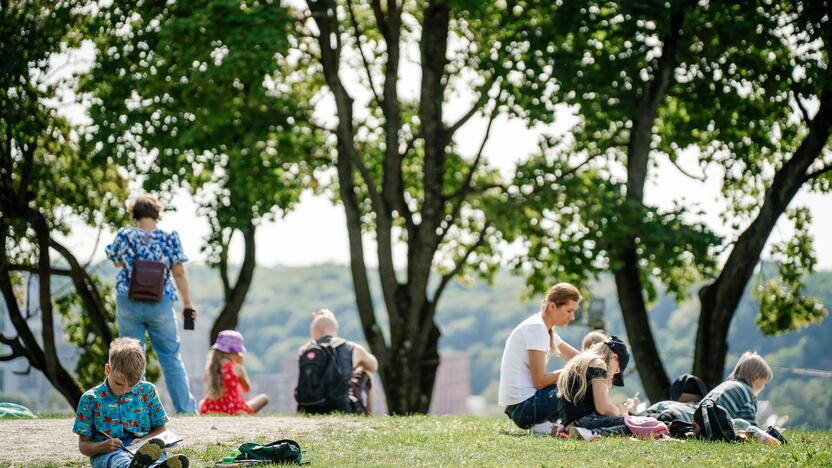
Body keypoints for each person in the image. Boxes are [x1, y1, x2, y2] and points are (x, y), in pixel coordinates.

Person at [105, 194, 198, 414]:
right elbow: (178, 272)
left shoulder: (125, 236)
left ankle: (135, 411)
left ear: (135, 215)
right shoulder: (169, 238)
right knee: (171, 357)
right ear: (157, 214)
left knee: (130, 358)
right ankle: (185, 410)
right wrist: (187, 303)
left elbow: (117, 261)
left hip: (128, 301)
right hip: (160, 302)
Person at [73, 337, 190, 468]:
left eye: (132, 385)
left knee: (153, 455)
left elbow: (161, 429)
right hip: (108, 453)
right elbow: (84, 446)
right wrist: (102, 446)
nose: (124, 389)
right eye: (119, 383)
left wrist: (144, 441)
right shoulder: (90, 399)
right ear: (108, 369)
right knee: (118, 460)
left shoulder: (148, 391)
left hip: (143, 449)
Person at [498, 283, 582, 432]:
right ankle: (586, 425)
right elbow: (540, 381)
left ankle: (545, 426)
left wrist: (598, 362)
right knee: (576, 380)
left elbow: (579, 359)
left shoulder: (542, 327)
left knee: (579, 374)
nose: (572, 317)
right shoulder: (536, 328)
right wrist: (571, 371)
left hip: (522, 407)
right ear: (552, 307)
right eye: (569, 310)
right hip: (525, 408)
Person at [295, 309, 378, 414]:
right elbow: (374, 366)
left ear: (315, 329)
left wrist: (317, 321)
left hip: (307, 410)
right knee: (365, 371)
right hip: (342, 409)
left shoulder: (304, 350)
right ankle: (369, 415)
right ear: (334, 328)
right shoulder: (351, 348)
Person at [558, 336, 634, 437]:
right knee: (636, 424)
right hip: (585, 420)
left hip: (571, 421)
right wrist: (621, 410)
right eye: (619, 368)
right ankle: (589, 433)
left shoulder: (582, 361)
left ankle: (571, 431)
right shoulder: (598, 363)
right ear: (614, 357)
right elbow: (603, 408)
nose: (617, 372)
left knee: (633, 422)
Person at [199, 330, 269, 415]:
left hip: (211, 409)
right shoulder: (236, 368)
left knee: (202, 402)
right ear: (236, 352)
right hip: (233, 409)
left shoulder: (210, 368)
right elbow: (246, 389)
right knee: (264, 398)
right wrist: (240, 365)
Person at [699, 351, 772, 427]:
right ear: (755, 378)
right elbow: (750, 429)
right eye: (763, 383)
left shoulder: (727, 384)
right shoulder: (746, 392)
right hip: (712, 429)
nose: (763, 387)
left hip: (699, 426)